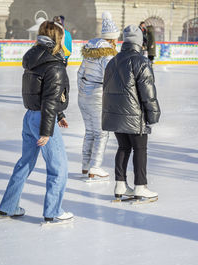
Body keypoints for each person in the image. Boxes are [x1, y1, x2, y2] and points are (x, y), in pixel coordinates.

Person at [0, 21, 73, 223]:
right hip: (42, 120)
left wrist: (60, 115)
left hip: (30, 117)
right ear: (58, 38)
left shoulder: (33, 58)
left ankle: (8, 206)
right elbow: (49, 101)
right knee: (58, 168)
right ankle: (53, 211)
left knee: (25, 163)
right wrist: (47, 130)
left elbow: (40, 95)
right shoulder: (55, 65)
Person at [102, 24, 161, 201]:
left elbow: (105, 89)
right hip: (135, 116)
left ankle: (120, 184)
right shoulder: (141, 62)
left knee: (123, 147)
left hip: (114, 115)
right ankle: (140, 186)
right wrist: (153, 114)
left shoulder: (113, 61)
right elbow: (148, 93)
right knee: (140, 149)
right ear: (139, 43)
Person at [77, 11, 119, 180]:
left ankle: (85, 166)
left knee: (89, 132)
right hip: (97, 96)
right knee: (101, 133)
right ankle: (95, 166)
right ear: (113, 39)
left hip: (83, 96)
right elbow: (109, 77)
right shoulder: (108, 53)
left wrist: (83, 91)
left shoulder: (90, 50)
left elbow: (80, 73)